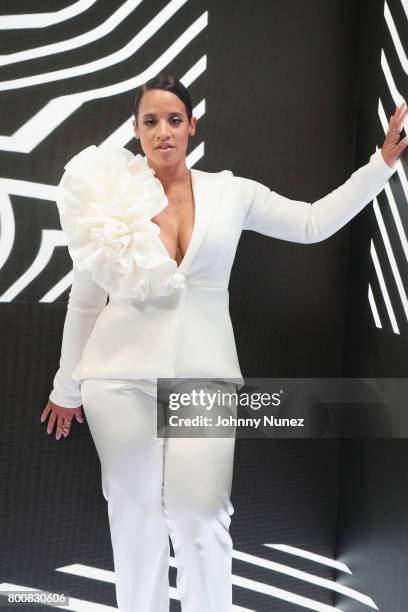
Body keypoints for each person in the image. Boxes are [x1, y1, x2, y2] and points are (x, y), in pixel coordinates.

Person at [40, 73, 407, 612]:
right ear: (136, 130)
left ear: (192, 125)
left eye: (173, 119)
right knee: (134, 516)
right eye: (150, 121)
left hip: (204, 376)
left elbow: (310, 223)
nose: (163, 131)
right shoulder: (108, 199)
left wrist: (380, 167)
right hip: (117, 379)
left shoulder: (231, 191)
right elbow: (87, 302)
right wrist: (66, 387)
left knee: (201, 515)